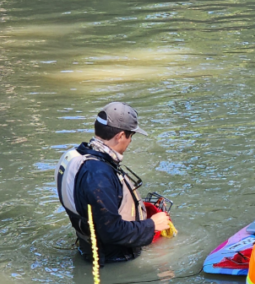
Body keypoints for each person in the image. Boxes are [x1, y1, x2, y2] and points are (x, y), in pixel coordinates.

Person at [55, 102, 171, 264]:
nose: (130, 141)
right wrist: (152, 225)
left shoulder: (76, 157)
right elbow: (111, 232)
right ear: (121, 136)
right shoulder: (98, 175)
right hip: (113, 261)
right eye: (131, 136)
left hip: (89, 249)